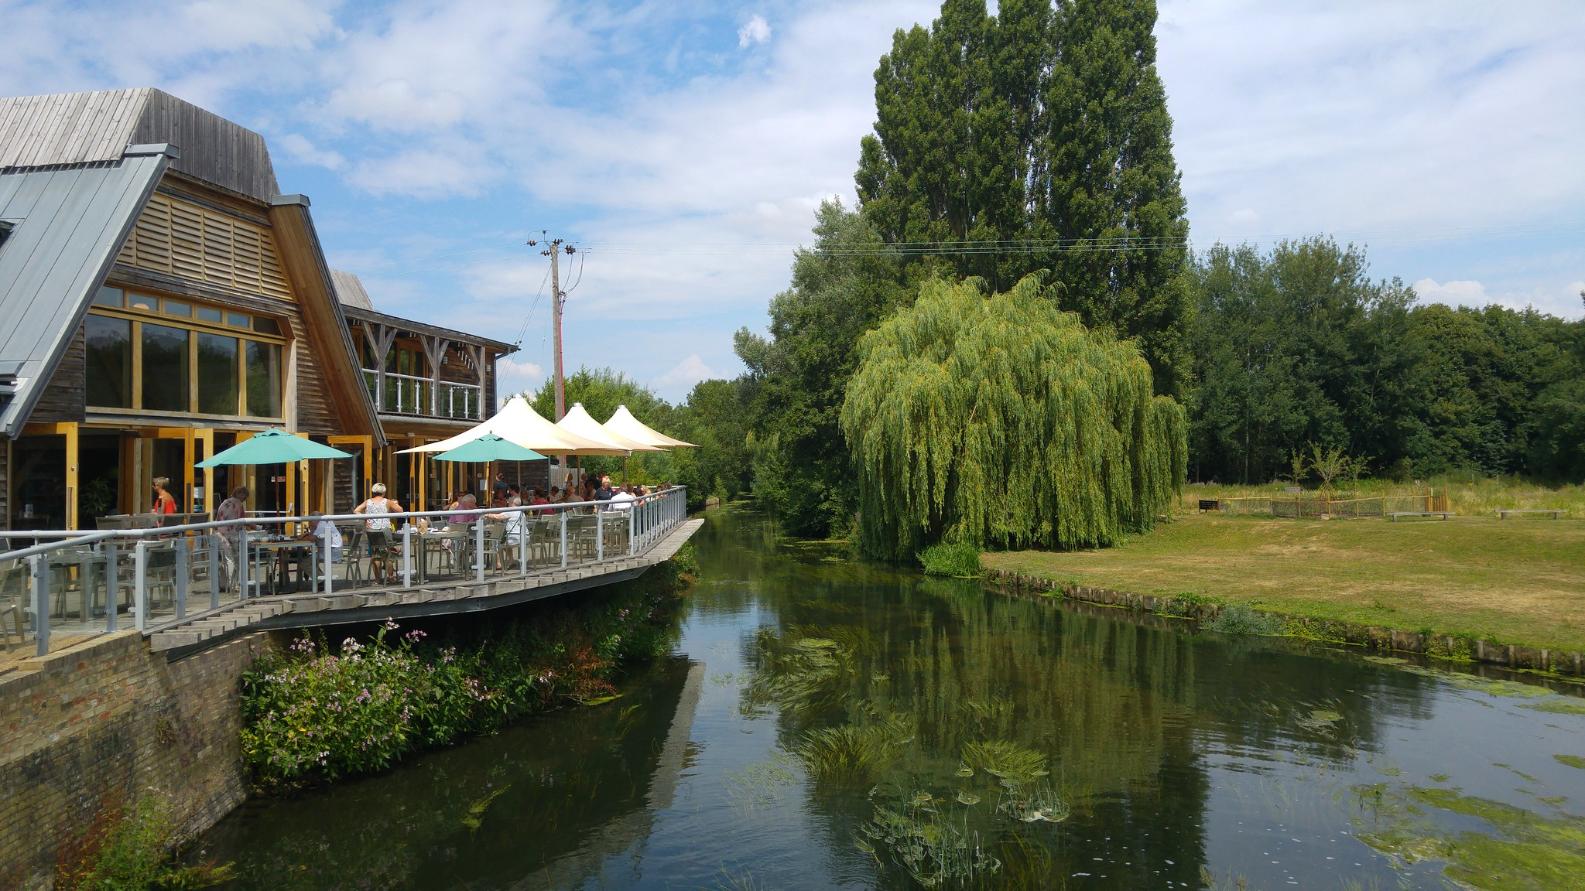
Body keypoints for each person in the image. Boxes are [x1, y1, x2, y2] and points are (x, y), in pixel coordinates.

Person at [354, 483, 403, 584]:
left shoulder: (368, 502)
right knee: (388, 553)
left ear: (373, 491)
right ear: (383, 492)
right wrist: (396, 504)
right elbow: (400, 511)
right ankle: (390, 577)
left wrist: (366, 518)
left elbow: (356, 510)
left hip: (371, 531)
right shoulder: (387, 502)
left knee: (376, 554)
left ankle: (377, 579)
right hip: (384, 530)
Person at [214, 486, 249, 591]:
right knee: (236, 560)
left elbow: (217, 520)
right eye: (245, 497)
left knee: (224, 560)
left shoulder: (224, 503)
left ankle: (223, 585)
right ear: (241, 495)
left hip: (220, 535)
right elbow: (242, 521)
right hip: (233, 535)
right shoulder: (239, 504)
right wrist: (255, 527)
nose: (245, 499)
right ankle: (234, 585)